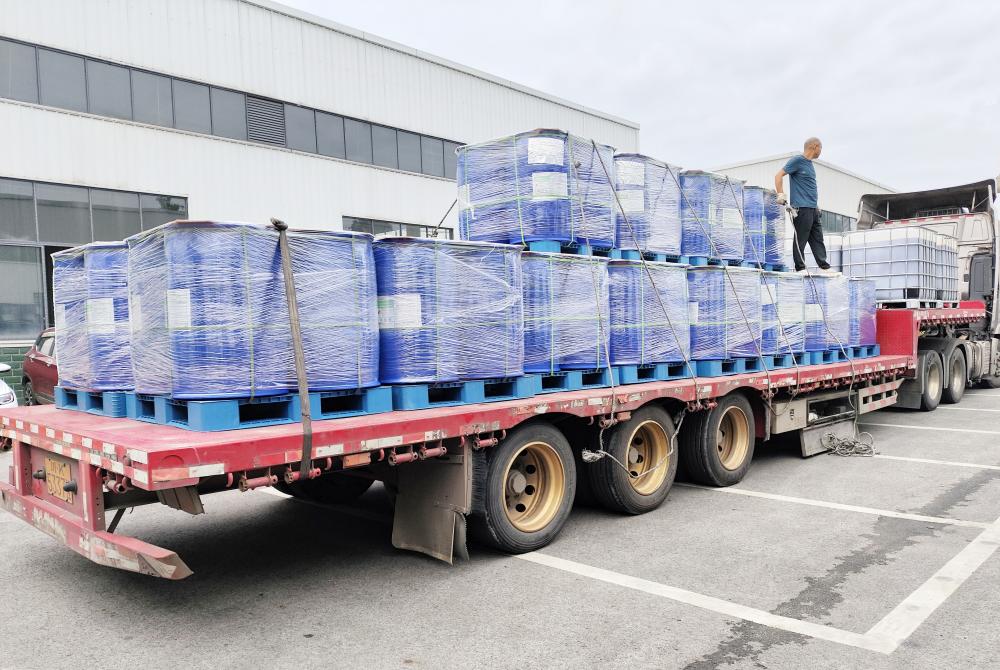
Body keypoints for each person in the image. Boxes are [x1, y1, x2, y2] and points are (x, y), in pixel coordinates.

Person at [775, 137, 829, 271]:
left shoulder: (810, 164)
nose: (821, 151)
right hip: (801, 208)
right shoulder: (797, 160)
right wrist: (780, 194)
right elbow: (778, 175)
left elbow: (808, 187)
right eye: (821, 148)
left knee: (818, 238)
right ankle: (800, 268)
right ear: (815, 147)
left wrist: (816, 206)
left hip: (813, 208)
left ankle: (824, 266)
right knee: (801, 239)